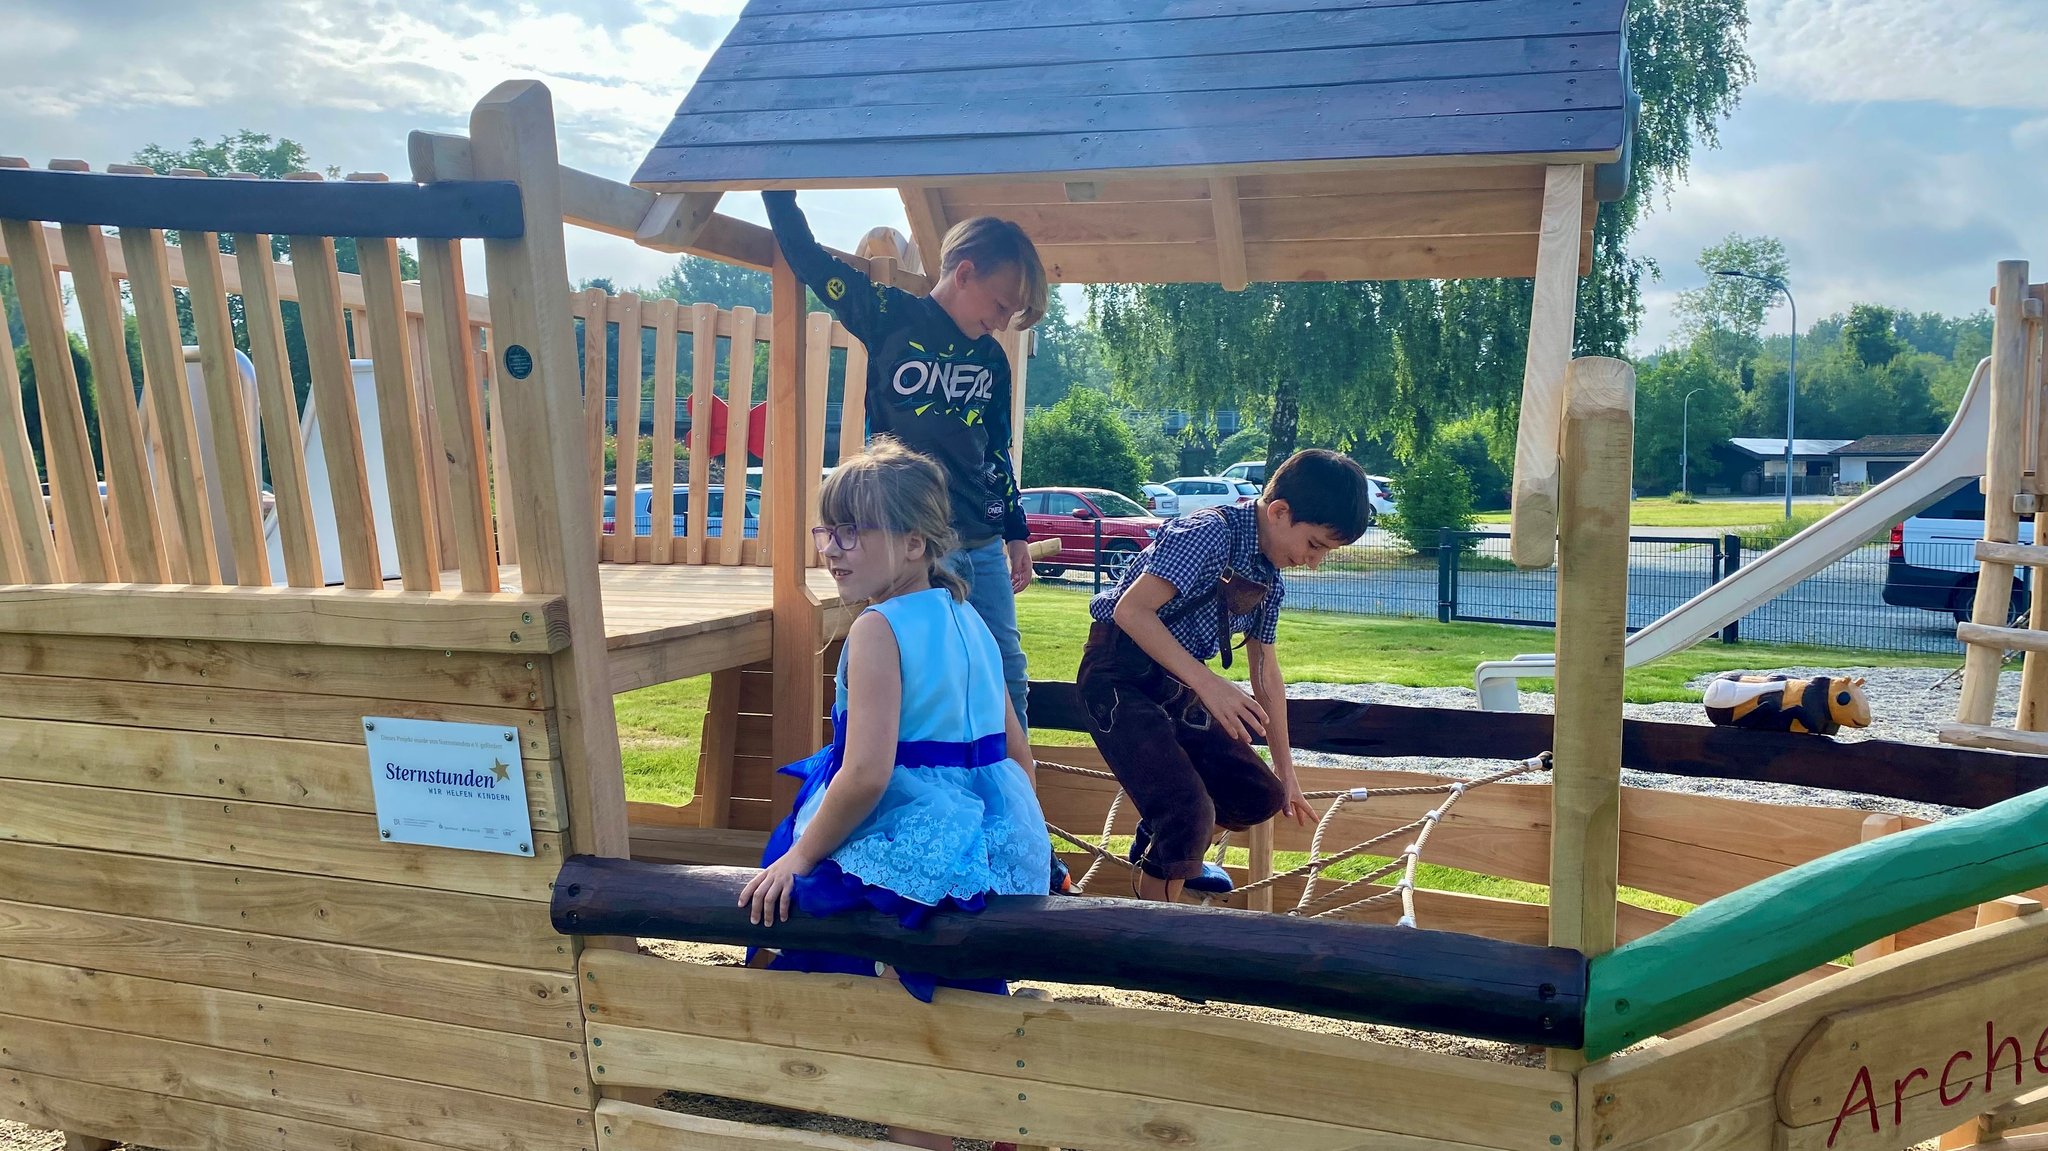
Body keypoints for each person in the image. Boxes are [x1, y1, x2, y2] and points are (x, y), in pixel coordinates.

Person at [740, 436, 1050, 994]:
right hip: (984, 830)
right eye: (828, 531)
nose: (832, 549)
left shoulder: (879, 627)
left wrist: (800, 857)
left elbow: (865, 774)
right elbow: (1019, 754)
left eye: (852, 532)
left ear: (914, 544)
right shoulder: (971, 618)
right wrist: (1018, 841)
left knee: (799, 901)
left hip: (905, 825)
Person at [762, 191, 1046, 731]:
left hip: (981, 539)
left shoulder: (990, 359)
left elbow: (997, 450)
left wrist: (1016, 533)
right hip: (911, 541)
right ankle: (916, 778)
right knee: (922, 665)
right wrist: (778, 189)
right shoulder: (890, 315)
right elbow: (810, 260)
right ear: (964, 273)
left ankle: (1015, 790)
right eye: (1002, 305)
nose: (1004, 323)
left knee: (1004, 665)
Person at [1077, 449, 1372, 903]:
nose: (1315, 563)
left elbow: (1265, 672)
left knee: (1257, 796)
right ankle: (1156, 942)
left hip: (1174, 682)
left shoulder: (1270, 576)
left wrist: (1287, 773)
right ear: (1279, 512)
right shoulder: (1208, 533)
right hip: (1117, 674)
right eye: (1314, 546)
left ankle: (1164, 856)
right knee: (1187, 813)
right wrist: (1209, 684)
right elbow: (1131, 611)